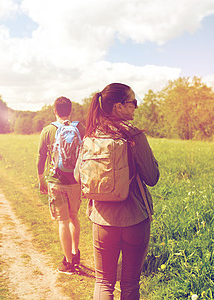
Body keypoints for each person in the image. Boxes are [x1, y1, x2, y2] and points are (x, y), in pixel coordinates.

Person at [74, 83, 159, 299]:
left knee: (103, 282)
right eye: (133, 102)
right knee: (130, 284)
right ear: (119, 107)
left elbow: (77, 176)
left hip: (102, 220)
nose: (135, 107)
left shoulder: (92, 136)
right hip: (135, 219)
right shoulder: (134, 136)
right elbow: (152, 177)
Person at [37, 96, 85, 274]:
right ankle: (75, 254)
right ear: (70, 110)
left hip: (56, 182)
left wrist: (41, 179)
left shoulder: (48, 130)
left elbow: (41, 157)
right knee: (74, 218)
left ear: (55, 111)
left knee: (62, 222)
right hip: (75, 182)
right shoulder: (80, 128)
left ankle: (68, 263)